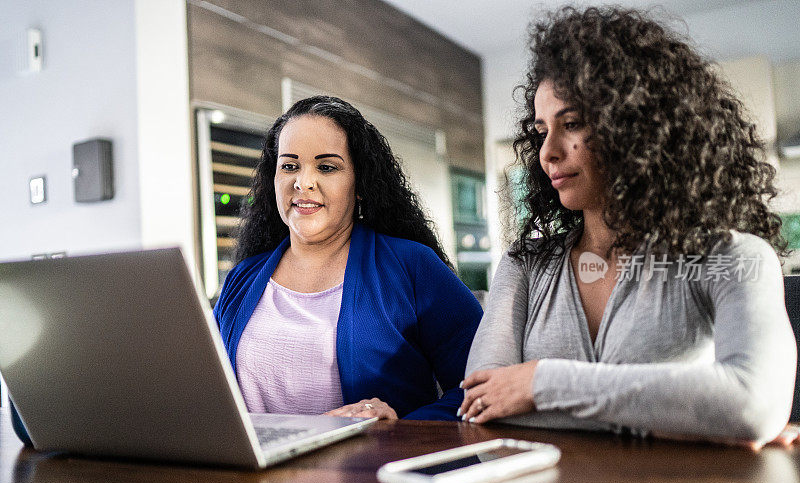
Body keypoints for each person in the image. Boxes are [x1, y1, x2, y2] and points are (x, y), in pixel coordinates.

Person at [459, 7, 798, 447]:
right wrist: (693, 418)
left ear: (640, 128)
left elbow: (752, 406)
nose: (548, 153)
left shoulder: (732, 257)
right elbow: (482, 407)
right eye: (542, 130)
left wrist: (541, 383)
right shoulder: (524, 265)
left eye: (573, 123)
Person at [213, 95, 482, 422]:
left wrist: (401, 427)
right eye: (289, 166)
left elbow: (482, 384)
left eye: (326, 167)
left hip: (375, 470)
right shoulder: (242, 277)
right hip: (254, 473)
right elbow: (204, 386)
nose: (303, 182)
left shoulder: (412, 266)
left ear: (359, 185)